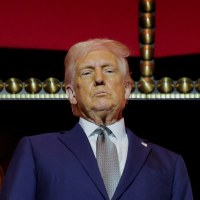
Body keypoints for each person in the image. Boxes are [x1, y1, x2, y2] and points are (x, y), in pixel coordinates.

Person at [0, 38, 193, 200]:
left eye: (109, 71)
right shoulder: (37, 152)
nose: (99, 79)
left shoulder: (169, 164)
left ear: (126, 89)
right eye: (87, 72)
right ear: (71, 93)